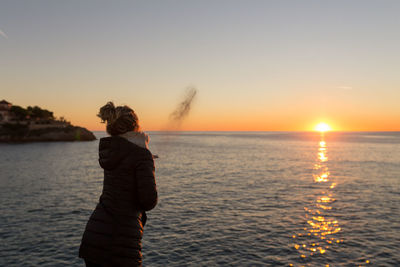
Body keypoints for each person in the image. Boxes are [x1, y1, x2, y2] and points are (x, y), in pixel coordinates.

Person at [79, 102, 158, 267]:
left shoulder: (112, 151)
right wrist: (148, 164)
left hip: (94, 237)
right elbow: (149, 201)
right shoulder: (141, 154)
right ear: (135, 126)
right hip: (120, 242)